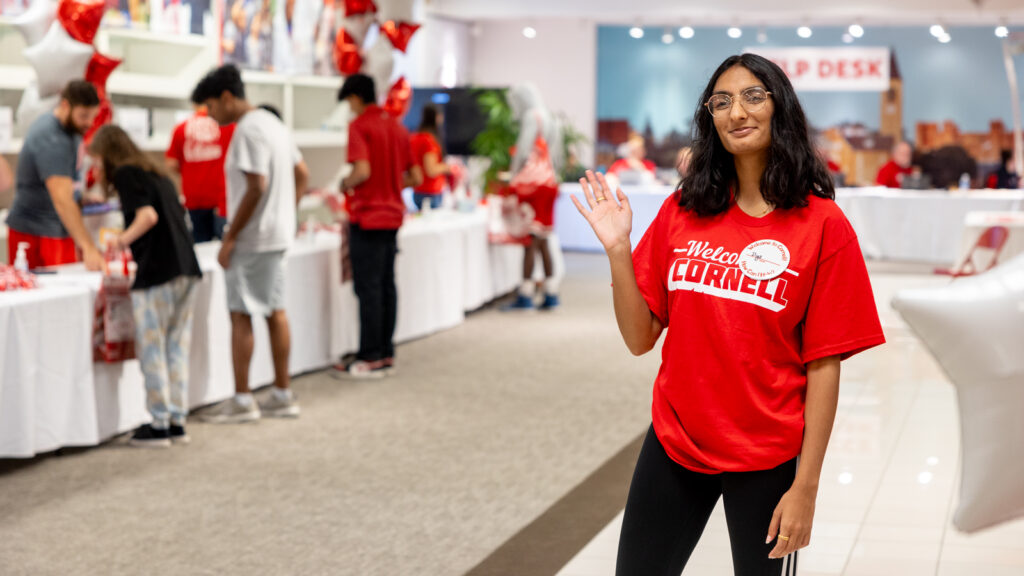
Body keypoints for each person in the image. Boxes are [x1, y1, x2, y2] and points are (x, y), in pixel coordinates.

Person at [571, 54, 886, 575]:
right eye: (722, 101)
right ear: (710, 119)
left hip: (769, 453)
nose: (737, 111)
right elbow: (638, 337)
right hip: (676, 441)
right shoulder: (685, 209)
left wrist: (805, 488)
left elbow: (824, 366)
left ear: (779, 107)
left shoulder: (823, 225)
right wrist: (618, 249)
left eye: (752, 96)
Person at [193, 65, 310, 422]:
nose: (211, 116)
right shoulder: (274, 124)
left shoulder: (247, 130)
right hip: (275, 235)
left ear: (227, 98)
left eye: (211, 107)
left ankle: (243, 399)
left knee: (241, 315)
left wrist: (230, 238)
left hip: (252, 240)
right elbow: (301, 174)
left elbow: (256, 185)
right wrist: (285, 213)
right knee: (276, 312)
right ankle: (281, 392)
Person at [88, 124, 203, 448]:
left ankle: (158, 422)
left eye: (97, 161)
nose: (97, 169)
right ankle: (177, 419)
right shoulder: (155, 173)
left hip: (158, 271)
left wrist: (120, 242)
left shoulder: (126, 174)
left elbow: (147, 216)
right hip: (186, 268)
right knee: (176, 347)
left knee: (152, 348)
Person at [333, 74, 422, 378]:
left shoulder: (360, 126)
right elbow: (416, 177)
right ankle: (385, 353)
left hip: (368, 215)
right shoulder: (397, 127)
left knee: (368, 287)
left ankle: (369, 356)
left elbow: (362, 169)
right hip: (393, 216)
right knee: (386, 285)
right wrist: (391, 184)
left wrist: (344, 183)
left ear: (356, 98)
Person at [5, 80, 105, 271]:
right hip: (37, 233)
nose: (89, 123)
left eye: (93, 117)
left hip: (56, 227)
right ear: (66, 106)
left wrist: (82, 197)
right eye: (84, 116)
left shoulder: (71, 131)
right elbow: (62, 199)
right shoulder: (51, 137)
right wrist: (88, 247)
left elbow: (69, 183)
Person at [503, 82, 563, 311]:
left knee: (529, 241)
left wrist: (513, 175)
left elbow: (522, 150)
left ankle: (525, 294)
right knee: (544, 239)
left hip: (532, 187)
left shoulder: (532, 116)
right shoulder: (550, 118)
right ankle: (551, 293)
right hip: (549, 183)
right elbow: (556, 157)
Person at [165, 103, 235, 244]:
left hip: (194, 197)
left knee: (201, 247)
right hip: (221, 197)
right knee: (225, 243)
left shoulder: (181, 128)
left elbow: (171, 163)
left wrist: (188, 170)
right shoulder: (228, 126)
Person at [410, 105, 450, 211]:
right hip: (431, 193)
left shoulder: (415, 137)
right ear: (437, 117)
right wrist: (447, 168)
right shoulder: (429, 140)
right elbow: (431, 170)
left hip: (417, 191)